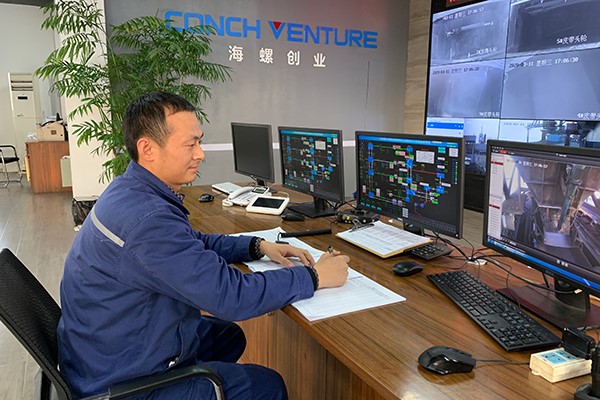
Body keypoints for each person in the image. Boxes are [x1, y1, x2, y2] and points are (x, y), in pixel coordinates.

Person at [57, 91, 350, 399]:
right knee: (267, 385)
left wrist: (256, 246)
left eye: (200, 142)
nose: (200, 154)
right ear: (147, 149)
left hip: (102, 351)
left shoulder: (128, 189)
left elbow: (191, 243)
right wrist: (313, 277)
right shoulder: (148, 219)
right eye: (190, 144)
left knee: (228, 337)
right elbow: (231, 296)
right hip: (123, 384)